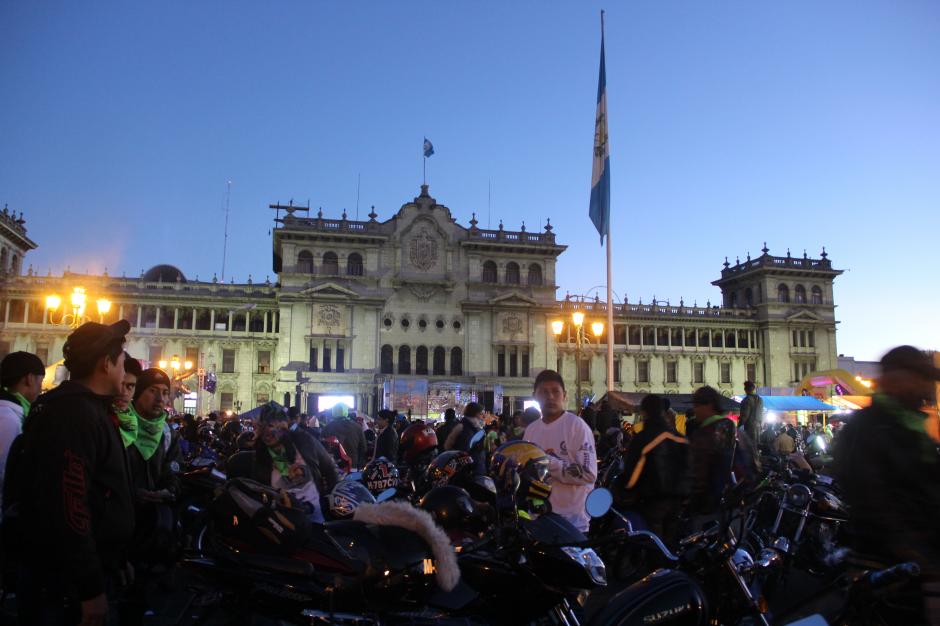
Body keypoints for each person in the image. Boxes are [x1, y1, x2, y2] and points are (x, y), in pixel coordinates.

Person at [15, 321, 134, 626]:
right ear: (106, 364)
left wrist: (116, 558)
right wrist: (90, 588)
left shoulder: (82, 409)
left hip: (84, 571)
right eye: (122, 362)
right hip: (67, 586)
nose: (125, 371)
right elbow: (70, 505)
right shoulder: (75, 414)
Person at [833, 346, 940, 623]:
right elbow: (873, 503)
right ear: (895, 377)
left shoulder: (911, 425)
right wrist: (920, 558)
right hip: (891, 569)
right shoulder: (868, 427)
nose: (926, 385)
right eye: (920, 376)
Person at [523, 370, 597, 532]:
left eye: (555, 391)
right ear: (534, 395)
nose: (550, 396)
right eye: (544, 392)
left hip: (572, 521)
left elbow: (588, 474)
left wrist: (546, 462)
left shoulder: (576, 426)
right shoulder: (531, 430)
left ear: (564, 395)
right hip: (539, 518)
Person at [241, 401, 338, 522]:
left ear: (283, 427)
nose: (266, 434)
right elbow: (259, 491)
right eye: (262, 428)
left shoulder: (305, 442)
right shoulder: (260, 456)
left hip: (316, 519)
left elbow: (329, 469)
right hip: (285, 525)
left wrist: (328, 501)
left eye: (271, 426)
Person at [618, 394, 690, 545]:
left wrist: (624, 490)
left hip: (651, 501)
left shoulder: (642, 439)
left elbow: (632, 476)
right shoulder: (680, 438)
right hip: (678, 500)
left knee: (654, 544)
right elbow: (689, 468)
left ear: (644, 412)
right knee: (671, 543)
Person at [127, 368, 182, 506]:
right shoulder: (120, 425)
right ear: (138, 393)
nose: (159, 399)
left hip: (155, 516)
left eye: (165, 393)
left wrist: (169, 490)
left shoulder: (168, 434)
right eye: (152, 390)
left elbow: (175, 471)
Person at [0, 351, 45, 518]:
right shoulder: (8, 418)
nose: (41, 387)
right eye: (40, 380)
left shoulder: (13, 413)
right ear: (29, 379)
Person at [688, 385, 736, 517]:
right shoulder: (730, 426)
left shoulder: (705, 433)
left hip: (705, 503)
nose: (695, 410)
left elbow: (699, 470)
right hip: (726, 499)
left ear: (708, 405)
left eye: (697, 405)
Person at [444, 402, 487, 475]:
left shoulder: (478, 428)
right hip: (470, 469)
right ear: (476, 414)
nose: (483, 416)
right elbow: (447, 446)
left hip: (469, 469)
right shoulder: (463, 427)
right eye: (481, 414)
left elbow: (447, 446)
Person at [322, 403, 367, 470]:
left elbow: (322, 448)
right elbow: (363, 447)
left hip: (335, 466)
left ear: (333, 412)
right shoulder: (357, 427)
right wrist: (360, 465)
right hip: (353, 464)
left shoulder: (328, 427)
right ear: (346, 412)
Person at [112, 353, 142, 448]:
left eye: (130, 386)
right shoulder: (97, 420)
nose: (124, 392)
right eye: (120, 384)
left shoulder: (136, 423)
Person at [738, 380, 764, 446]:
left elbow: (744, 416)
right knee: (756, 446)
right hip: (758, 426)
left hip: (750, 427)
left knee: (749, 447)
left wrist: (738, 426)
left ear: (746, 389)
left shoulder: (747, 400)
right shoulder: (760, 399)